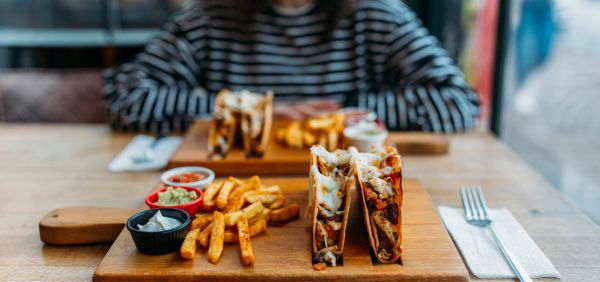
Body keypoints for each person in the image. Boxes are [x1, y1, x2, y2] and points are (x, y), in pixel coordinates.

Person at [104, 0, 480, 133]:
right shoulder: (208, 19)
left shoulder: (378, 15)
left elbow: (460, 104)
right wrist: (252, 111)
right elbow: (126, 100)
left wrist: (348, 110)